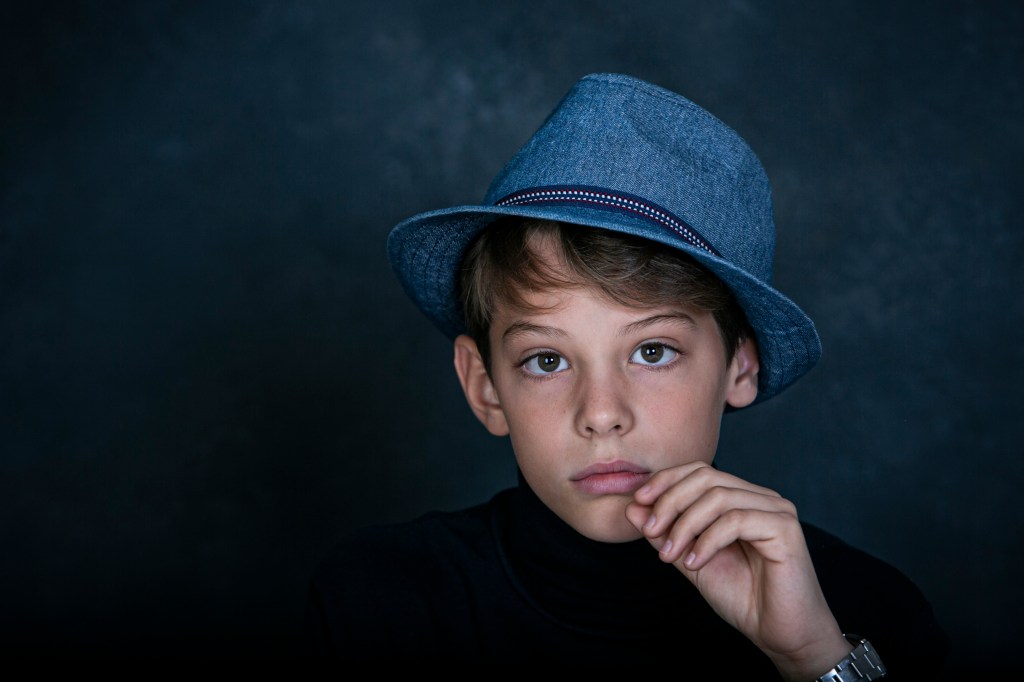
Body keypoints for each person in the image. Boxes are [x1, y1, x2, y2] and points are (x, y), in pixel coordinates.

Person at [304, 73, 949, 678]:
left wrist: (813, 658)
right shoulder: (380, 602)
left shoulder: (865, 613)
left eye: (653, 351)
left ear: (740, 365)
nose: (602, 413)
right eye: (547, 360)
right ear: (485, 386)